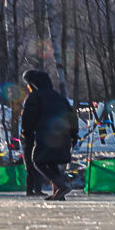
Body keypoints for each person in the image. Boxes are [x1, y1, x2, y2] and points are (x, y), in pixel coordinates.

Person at [19, 69, 77, 200]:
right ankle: (59, 192)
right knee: (51, 162)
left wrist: (26, 133)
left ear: (33, 84)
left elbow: (28, 117)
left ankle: (62, 185)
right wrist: (74, 135)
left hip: (46, 136)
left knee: (38, 161)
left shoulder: (35, 97)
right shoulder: (59, 97)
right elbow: (72, 116)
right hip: (64, 136)